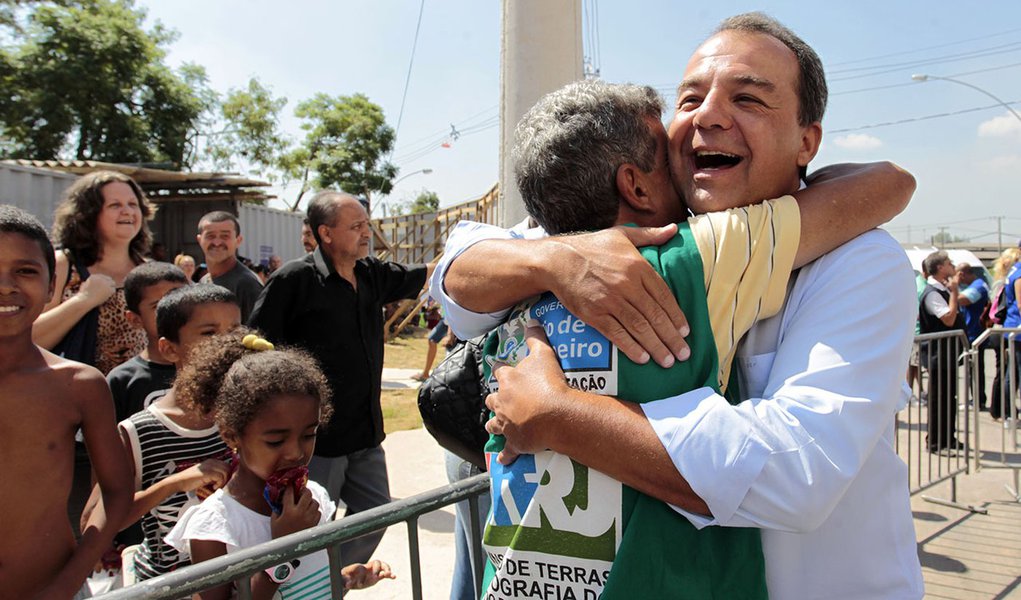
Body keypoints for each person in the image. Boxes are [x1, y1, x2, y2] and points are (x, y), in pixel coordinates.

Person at [440, 13, 923, 599]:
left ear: (806, 141)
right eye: (690, 98)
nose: (709, 115)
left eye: (748, 98)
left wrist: (559, 416)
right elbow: (457, 270)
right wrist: (559, 262)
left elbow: (798, 474)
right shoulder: (625, 245)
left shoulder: (858, 261)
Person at [249, 191, 431, 565]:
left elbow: (427, 276)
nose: (367, 233)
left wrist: (473, 248)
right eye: (356, 226)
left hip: (365, 431)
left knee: (376, 513)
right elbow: (256, 348)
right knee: (311, 529)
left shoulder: (371, 274)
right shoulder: (294, 280)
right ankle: (306, 586)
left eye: (367, 224)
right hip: (317, 440)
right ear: (326, 234)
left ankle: (329, 584)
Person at [166, 330, 396, 599]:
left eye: (309, 435)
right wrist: (283, 551)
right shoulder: (215, 527)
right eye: (275, 441)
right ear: (231, 435)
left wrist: (342, 578)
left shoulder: (314, 498)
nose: (296, 453)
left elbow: (308, 580)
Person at [0, 204, 132, 599]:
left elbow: (117, 491)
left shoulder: (78, 384)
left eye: (24, 271)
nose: (7, 285)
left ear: (51, 279)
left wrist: (68, 581)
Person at [86, 284, 242, 581]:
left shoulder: (248, 413)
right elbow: (93, 522)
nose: (226, 344)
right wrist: (173, 484)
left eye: (234, 331)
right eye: (209, 333)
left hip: (238, 580)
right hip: (169, 583)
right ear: (169, 348)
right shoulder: (139, 431)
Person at [32, 170, 154, 538]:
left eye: (132, 204)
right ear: (88, 214)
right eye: (114, 204)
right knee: (71, 532)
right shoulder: (64, 266)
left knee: (127, 530)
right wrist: (85, 299)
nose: (127, 211)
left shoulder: (148, 272)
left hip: (134, 424)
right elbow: (24, 336)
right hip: (71, 428)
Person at [919, 251, 967, 453]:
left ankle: (949, 437)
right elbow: (947, 318)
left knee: (950, 397)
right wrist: (954, 292)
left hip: (947, 353)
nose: (952, 265)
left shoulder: (941, 289)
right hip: (937, 354)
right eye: (948, 263)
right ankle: (936, 441)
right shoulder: (931, 293)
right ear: (939, 268)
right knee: (939, 399)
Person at [196, 211, 263, 322]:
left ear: (238, 241)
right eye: (210, 236)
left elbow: (257, 334)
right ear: (199, 240)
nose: (217, 242)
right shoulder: (204, 281)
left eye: (225, 236)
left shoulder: (246, 285)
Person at [989, 247, 1021, 420]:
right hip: (1016, 330)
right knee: (1013, 374)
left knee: (1010, 373)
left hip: (1011, 329)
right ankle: (1007, 411)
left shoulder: (1013, 272)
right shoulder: (1019, 272)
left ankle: (1006, 411)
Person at [956, 262, 989, 409]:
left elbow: (962, 300)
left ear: (962, 274)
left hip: (975, 334)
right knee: (971, 368)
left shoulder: (978, 286)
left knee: (975, 369)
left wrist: (953, 287)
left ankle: (978, 400)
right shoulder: (973, 285)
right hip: (970, 333)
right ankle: (975, 398)